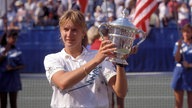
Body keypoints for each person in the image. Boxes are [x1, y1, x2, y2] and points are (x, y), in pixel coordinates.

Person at [44, 9, 128, 108]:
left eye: (74, 30)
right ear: (60, 31)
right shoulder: (52, 58)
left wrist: (120, 62)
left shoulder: (101, 57)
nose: (69, 34)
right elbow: (63, 83)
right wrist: (95, 61)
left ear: (83, 32)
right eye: (66, 29)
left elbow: (120, 92)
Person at [0, 29, 24, 108]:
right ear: (7, 38)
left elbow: (22, 65)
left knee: (13, 104)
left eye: (15, 38)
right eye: (13, 38)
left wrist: (13, 68)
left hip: (14, 81)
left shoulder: (17, 50)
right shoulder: (1, 49)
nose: (14, 40)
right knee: (3, 103)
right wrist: (5, 52)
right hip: (2, 80)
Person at [171, 24, 192, 108]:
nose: (186, 34)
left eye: (188, 32)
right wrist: (179, 47)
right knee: (178, 104)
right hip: (179, 74)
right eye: (184, 32)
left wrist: (190, 65)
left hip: (191, 75)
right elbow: (176, 59)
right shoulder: (178, 44)